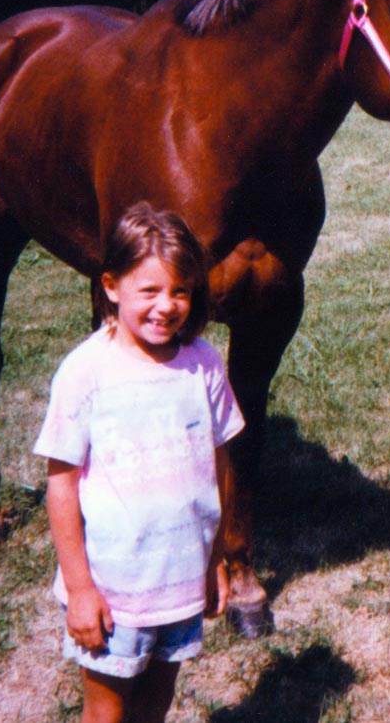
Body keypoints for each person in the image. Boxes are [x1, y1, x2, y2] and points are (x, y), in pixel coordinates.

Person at [34, 202, 244, 723]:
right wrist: (80, 589)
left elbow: (219, 463)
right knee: (107, 712)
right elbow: (60, 487)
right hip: (114, 590)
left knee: (155, 705)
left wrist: (216, 556)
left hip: (180, 581)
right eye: (148, 291)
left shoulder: (203, 365)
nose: (166, 306)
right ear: (111, 285)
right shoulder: (87, 371)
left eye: (180, 290)